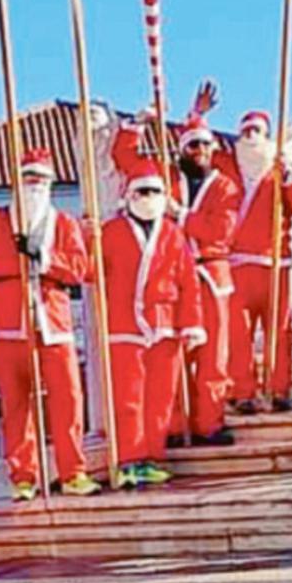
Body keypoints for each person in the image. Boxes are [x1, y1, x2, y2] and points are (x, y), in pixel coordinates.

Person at [0, 147, 100, 501]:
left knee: (68, 397)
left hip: (53, 315)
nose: (34, 185)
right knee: (15, 402)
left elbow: (80, 269)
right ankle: (23, 475)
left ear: (51, 183)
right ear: (16, 181)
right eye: (28, 178)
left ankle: (72, 471)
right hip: (8, 318)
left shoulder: (64, 224)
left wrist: (43, 258)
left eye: (41, 179)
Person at [114, 84, 239, 447]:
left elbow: (221, 232)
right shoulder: (165, 179)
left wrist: (180, 214)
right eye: (192, 145)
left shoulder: (225, 186)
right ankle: (170, 423)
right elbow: (126, 159)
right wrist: (140, 121)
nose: (199, 150)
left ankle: (209, 422)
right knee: (170, 353)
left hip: (212, 272)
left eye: (204, 144)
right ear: (182, 149)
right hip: (169, 274)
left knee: (214, 351)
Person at [93, 158, 204, 488]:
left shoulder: (172, 234)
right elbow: (88, 272)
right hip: (124, 326)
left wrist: (192, 324)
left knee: (160, 399)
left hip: (165, 325)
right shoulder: (109, 233)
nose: (148, 197)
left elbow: (188, 282)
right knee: (128, 398)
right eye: (141, 191)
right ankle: (129, 459)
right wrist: (88, 239)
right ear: (128, 195)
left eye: (155, 191)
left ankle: (153, 456)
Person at [224, 111, 292, 414]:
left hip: (275, 263)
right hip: (237, 264)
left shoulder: (282, 170)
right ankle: (243, 392)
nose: (251, 136)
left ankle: (278, 389)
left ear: (267, 136)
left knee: (279, 330)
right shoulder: (228, 166)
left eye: (257, 130)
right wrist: (196, 118)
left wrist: (290, 176)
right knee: (239, 335)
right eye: (246, 130)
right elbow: (195, 155)